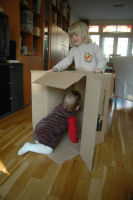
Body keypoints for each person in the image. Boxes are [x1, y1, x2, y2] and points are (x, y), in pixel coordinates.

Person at [18, 90, 81, 156]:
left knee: (41, 139)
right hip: (46, 133)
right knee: (49, 150)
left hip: (39, 127)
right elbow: (72, 131)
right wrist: (75, 140)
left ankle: (39, 142)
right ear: (77, 107)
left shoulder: (59, 106)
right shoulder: (71, 118)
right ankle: (29, 146)